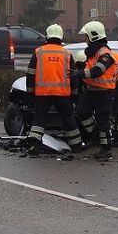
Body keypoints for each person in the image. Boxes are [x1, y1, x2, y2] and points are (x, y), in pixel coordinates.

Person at [24, 24, 83, 155]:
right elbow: (73, 77)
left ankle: (33, 146)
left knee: (39, 120)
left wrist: (30, 95)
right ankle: (77, 147)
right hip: (62, 94)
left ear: (47, 36)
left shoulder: (38, 52)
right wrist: (74, 95)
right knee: (69, 120)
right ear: (61, 37)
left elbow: (30, 74)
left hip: (42, 94)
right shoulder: (67, 54)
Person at [71, 21, 116, 160]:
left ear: (93, 36)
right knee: (82, 111)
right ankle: (94, 135)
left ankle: (106, 148)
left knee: (103, 121)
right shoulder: (93, 52)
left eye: (86, 37)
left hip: (103, 92)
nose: (85, 40)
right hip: (92, 90)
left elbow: (98, 71)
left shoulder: (104, 53)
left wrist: (79, 74)